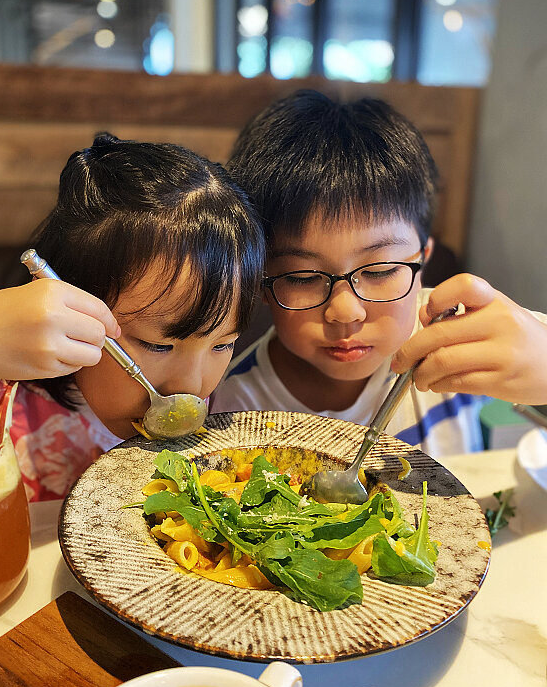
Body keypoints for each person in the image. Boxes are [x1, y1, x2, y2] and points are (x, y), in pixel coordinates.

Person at [210, 91, 547, 457]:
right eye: (302, 277)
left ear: (423, 261)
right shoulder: (233, 411)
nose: (345, 312)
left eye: (381, 270)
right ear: (261, 280)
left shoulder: (457, 337)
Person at [0, 134, 264, 500]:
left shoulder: (220, 402)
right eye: (158, 345)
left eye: (222, 344)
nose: (192, 387)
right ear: (69, 302)